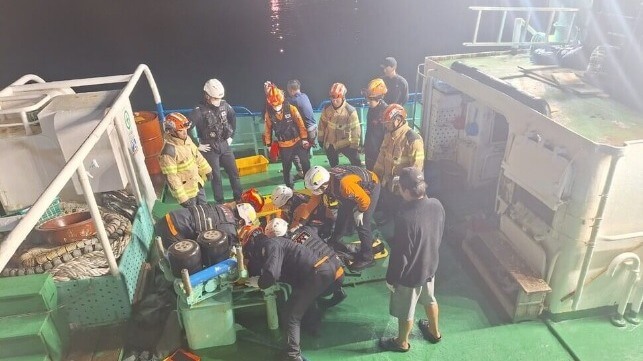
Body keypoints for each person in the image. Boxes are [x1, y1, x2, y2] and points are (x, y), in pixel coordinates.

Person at [242, 226, 344, 361]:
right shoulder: (279, 242)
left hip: (316, 274)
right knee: (304, 299)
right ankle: (312, 325)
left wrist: (259, 282)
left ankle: (292, 355)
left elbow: (272, 274)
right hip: (328, 271)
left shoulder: (271, 244)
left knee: (291, 315)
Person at [379, 167, 444, 353]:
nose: (399, 190)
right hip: (430, 265)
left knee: (406, 310)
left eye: (400, 187)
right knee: (430, 298)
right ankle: (434, 332)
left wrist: (391, 278)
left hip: (410, 274)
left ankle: (401, 342)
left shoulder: (406, 218)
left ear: (407, 191)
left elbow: (401, 254)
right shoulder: (436, 205)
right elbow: (438, 232)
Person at [302, 165, 380, 271]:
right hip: (354, 188)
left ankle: (368, 257)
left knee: (362, 224)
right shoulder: (325, 180)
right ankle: (334, 239)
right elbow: (314, 201)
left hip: (370, 188)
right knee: (342, 214)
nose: (317, 192)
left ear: (325, 184)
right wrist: (301, 220)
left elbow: (365, 200)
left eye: (318, 189)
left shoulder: (345, 186)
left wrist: (360, 211)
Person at [264, 217, 347, 310]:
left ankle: (310, 309)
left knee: (298, 274)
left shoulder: (283, 247)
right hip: (340, 272)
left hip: (325, 282)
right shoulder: (306, 229)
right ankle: (338, 291)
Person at [188, 79, 243, 204]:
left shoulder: (224, 105)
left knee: (234, 173)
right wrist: (197, 146)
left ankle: (239, 197)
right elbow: (186, 130)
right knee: (215, 177)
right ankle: (220, 202)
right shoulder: (198, 111)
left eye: (219, 99)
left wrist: (231, 137)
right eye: (214, 99)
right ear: (207, 96)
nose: (217, 102)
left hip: (224, 144)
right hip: (210, 147)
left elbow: (233, 117)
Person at [373, 104, 424, 221]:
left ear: (398, 120)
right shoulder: (388, 135)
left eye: (388, 122)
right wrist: (375, 175)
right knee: (388, 202)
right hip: (387, 182)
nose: (386, 125)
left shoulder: (413, 140)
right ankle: (388, 215)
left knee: (401, 213)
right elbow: (382, 156)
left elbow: (416, 169)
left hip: (402, 187)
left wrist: (404, 185)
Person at [159, 112, 212, 208]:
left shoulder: (187, 139)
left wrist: (207, 170)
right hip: (187, 192)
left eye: (185, 129)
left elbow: (197, 155)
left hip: (197, 184)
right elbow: (171, 177)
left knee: (205, 208)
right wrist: (182, 198)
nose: (185, 132)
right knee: (194, 217)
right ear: (171, 131)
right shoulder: (169, 151)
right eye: (180, 130)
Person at [263, 84, 311, 189]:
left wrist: (304, 139)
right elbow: (267, 129)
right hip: (284, 145)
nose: (276, 107)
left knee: (305, 162)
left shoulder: (291, 108)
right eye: (273, 105)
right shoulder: (269, 114)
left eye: (278, 104)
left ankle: (309, 185)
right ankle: (290, 189)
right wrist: (268, 144)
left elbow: (300, 124)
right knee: (286, 167)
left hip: (298, 141)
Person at [154, 202, 258, 248]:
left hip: (168, 217)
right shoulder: (229, 230)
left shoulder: (222, 207)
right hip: (171, 232)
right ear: (241, 221)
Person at [318, 83, 362, 167]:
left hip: (345, 143)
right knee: (333, 165)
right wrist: (320, 139)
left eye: (337, 98)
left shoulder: (350, 111)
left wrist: (354, 147)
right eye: (332, 98)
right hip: (330, 143)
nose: (334, 101)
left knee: (356, 162)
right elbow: (322, 125)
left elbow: (355, 131)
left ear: (343, 97)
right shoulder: (326, 109)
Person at [271, 185, 337, 238]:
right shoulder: (294, 197)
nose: (281, 209)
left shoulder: (300, 208)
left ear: (288, 202)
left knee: (298, 237)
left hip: (324, 225)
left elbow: (293, 229)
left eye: (281, 207)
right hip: (317, 219)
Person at [287, 79, 317, 180]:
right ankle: (303, 173)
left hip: (307, 131)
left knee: (301, 155)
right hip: (313, 129)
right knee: (303, 154)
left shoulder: (293, 101)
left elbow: (283, 106)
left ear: (290, 90)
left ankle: (307, 177)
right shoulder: (304, 96)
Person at [363, 78, 389, 170]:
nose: (367, 102)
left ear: (379, 98)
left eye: (370, 99)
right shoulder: (372, 109)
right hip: (370, 150)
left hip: (379, 154)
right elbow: (370, 130)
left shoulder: (386, 113)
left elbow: (387, 137)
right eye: (367, 98)